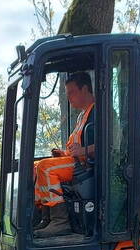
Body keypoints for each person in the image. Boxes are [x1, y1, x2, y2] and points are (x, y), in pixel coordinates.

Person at [33, 72, 95, 237]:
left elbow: (111, 145)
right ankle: (46, 218)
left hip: (86, 166)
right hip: (76, 161)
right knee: (35, 167)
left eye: (71, 93)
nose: (69, 98)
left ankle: (60, 222)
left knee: (46, 168)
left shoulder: (101, 113)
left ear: (85, 89)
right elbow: (76, 145)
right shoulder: (83, 115)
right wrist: (63, 153)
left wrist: (82, 151)